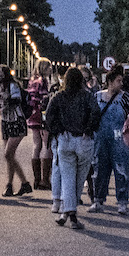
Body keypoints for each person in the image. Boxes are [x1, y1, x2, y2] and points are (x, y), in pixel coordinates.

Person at [45, 66, 101, 229]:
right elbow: (96, 113)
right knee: (79, 179)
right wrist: (89, 129)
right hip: (84, 140)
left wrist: (58, 131)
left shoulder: (59, 96)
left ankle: (66, 211)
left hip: (65, 139)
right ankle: (71, 214)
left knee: (68, 178)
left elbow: (49, 116)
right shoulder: (87, 96)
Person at [89, 68, 129, 214]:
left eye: (122, 81)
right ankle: (98, 200)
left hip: (120, 141)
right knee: (99, 170)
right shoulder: (97, 97)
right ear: (109, 82)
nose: (121, 84)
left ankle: (122, 202)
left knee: (122, 171)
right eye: (118, 81)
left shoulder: (125, 98)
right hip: (100, 140)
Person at [0, 64, 32, 195]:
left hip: (16, 121)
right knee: (9, 156)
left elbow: (17, 99)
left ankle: (24, 182)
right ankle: (9, 185)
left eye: (0, 74)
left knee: (8, 154)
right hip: (5, 121)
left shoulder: (12, 85)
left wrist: (6, 99)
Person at [26, 58, 55, 193]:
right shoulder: (43, 82)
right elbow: (45, 99)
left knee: (36, 145)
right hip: (42, 116)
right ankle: (45, 179)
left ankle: (36, 179)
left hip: (32, 116)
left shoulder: (32, 81)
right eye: (49, 67)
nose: (50, 70)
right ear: (44, 68)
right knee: (46, 145)